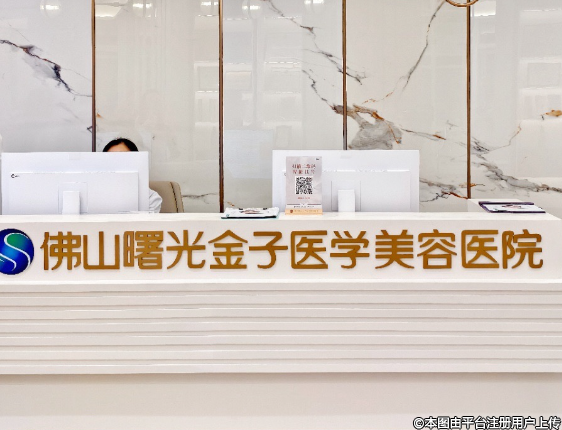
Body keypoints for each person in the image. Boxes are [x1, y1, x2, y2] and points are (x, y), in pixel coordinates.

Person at [103, 138, 163, 213]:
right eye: (111, 160)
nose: (117, 164)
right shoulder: (93, 193)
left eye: (122, 159)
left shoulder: (150, 198)